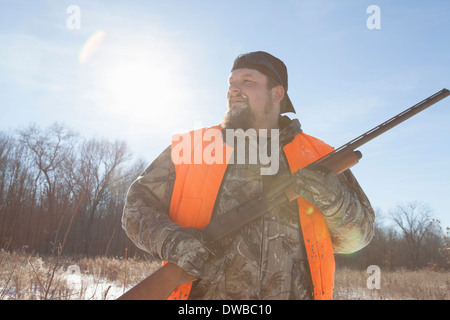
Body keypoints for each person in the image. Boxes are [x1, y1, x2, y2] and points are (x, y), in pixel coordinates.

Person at [122, 51, 375, 300]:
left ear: (277, 93)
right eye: (231, 83)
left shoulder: (318, 155)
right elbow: (136, 208)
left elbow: (358, 238)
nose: (233, 88)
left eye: (248, 81)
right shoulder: (194, 147)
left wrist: (334, 200)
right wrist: (174, 242)